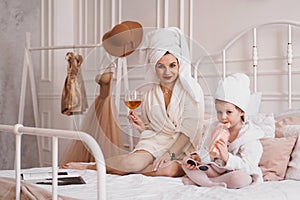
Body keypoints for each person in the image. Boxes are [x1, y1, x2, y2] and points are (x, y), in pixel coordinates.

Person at [62, 27, 205, 177]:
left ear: (179, 64)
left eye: (172, 65)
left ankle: (132, 170)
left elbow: (188, 132)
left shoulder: (192, 91)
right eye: (161, 66)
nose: (167, 72)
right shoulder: (151, 93)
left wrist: (169, 155)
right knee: (131, 163)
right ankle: (92, 166)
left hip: (182, 147)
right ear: (154, 67)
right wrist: (143, 127)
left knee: (168, 170)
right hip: (156, 142)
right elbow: (153, 129)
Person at [181, 73, 264, 188]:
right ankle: (210, 183)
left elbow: (249, 166)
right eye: (219, 112)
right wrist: (198, 157)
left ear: (241, 112)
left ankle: (203, 182)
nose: (223, 117)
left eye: (229, 112)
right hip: (214, 169)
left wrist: (227, 157)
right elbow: (205, 150)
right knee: (186, 161)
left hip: (235, 172)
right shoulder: (215, 127)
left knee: (241, 178)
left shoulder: (250, 136)